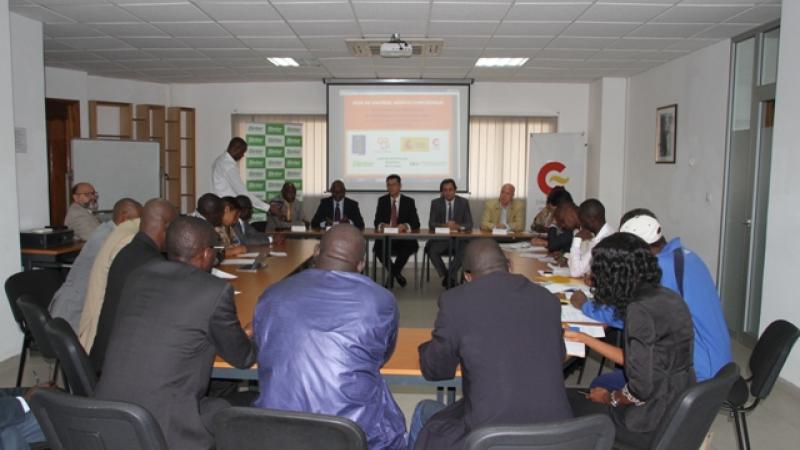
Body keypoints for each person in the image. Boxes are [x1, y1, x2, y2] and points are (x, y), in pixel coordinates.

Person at [94, 216, 256, 450]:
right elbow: (243, 358)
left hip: (107, 420)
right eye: (215, 249)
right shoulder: (214, 291)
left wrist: (226, 331)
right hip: (165, 430)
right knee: (233, 411)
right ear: (204, 253)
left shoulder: (139, 276)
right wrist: (259, 335)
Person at [253, 224, 405, 450]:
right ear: (361, 265)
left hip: (276, 429)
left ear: (316, 252)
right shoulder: (380, 300)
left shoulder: (272, 294)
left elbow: (262, 349)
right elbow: (382, 356)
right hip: (351, 432)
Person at [410, 239, 572, 450]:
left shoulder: (455, 302)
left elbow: (436, 370)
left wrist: (430, 347)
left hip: (490, 438)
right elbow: (559, 356)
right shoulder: (547, 298)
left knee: (425, 415)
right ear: (510, 266)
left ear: (468, 276)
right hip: (558, 436)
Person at [566, 232, 695, 448]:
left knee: (565, 403)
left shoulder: (639, 311)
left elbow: (640, 390)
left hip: (648, 420)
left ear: (613, 274)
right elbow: (643, 359)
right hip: (677, 402)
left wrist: (610, 398)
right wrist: (584, 338)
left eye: (598, 270)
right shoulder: (668, 296)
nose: (593, 276)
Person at [572, 211, 732, 383]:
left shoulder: (660, 269)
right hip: (719, 360)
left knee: (604, 383)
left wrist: (585, 305)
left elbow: (629, 317)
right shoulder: (686, 256)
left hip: (696, 370)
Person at [90, 199, 177, 370]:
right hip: (120, 368)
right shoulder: (151, 264)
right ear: (166, 227)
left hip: (106, 357)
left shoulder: (130, 251)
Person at [49, 198, 142, 332]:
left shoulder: (107, 230)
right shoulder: (106, 240)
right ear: (124, 218)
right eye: (137, 222)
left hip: (79, 306)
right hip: (73, 315)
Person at [77, 214, 142, 351]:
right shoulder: (123, 240)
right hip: (78, 312)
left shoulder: (111, 232)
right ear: (124, 218)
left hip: (88, 311)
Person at [374, 174, 420, 287]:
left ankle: (391, 277)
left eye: (394, 185)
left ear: (400, 186)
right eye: (388, 185)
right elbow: (376, 222)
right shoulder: (382, 200)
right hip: (387, 238)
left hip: (403, 239)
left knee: (410, 246)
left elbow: (416, 223)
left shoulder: (409, 201)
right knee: (378, 248)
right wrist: (381, 225)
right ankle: (397, 274)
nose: (391, 187)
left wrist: (405, 225)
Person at [427, 178, 473, 287]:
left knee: (465, 250)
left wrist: (458, 226)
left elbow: (469, 224)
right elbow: (431, 224)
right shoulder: (436, 203)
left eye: (450, 189)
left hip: (459, 239)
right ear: (442, 192)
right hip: (442, 239)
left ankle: (449, 277)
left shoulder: (463, 202)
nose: (448, 192)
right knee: (431, 249)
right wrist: (444, 225)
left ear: (455, 190)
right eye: (445, 190)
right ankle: (447, 276)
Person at [211, 137, 271, 212]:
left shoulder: (219, 160)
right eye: (242, 152)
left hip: (223, 205)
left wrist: (261, 203)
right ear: (235, 148)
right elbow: (242, 193)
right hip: (228, 208)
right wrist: (268, 207)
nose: (242, 155)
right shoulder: (229, 166)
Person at [567, 198, 614, 277]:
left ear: (592, 220)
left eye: (582, 220)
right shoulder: (607, 232)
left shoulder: (602, 240)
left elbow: (575, 272)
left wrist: (577, 240)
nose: (581, 224)